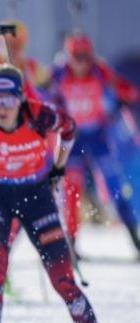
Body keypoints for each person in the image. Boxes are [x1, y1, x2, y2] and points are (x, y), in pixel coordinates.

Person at [0, 63, 126, 323]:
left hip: (35, 197)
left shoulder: (38, 113)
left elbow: (69, 128)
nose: (2, 106)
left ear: (21, 97)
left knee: (63, 279)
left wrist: (58, 166)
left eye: (9, 98)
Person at [48, 32, 140, 255]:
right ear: (68, 56)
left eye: (84, 57)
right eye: (76, 57)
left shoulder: (99, 71)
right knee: (71, 189)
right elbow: (44, 97)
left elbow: (126, 90)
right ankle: (70, 243)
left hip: (97, 135)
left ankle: (134, 238)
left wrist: (122, 97)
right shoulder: (59, 74)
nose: (81, 63)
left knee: (114, 186)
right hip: (73, 136)